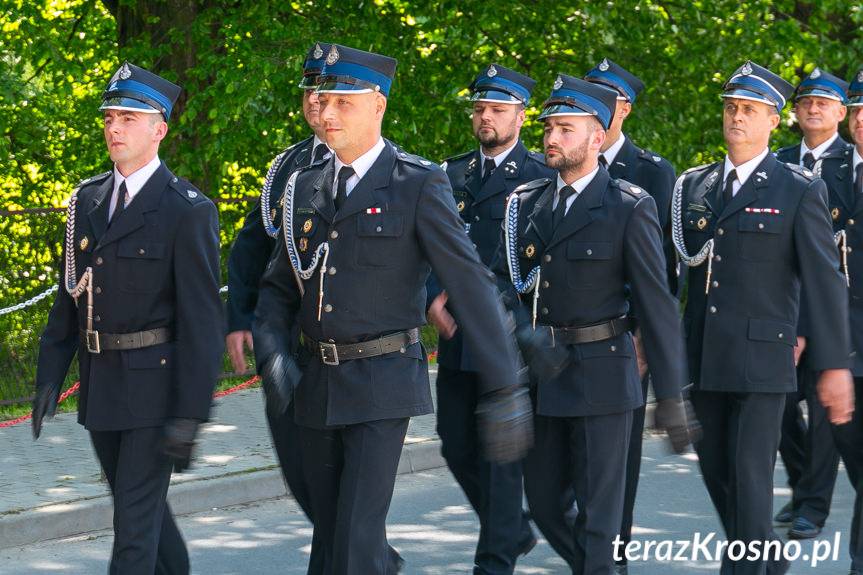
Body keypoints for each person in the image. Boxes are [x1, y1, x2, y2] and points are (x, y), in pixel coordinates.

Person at [252, 44, 532, 575]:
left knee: (356, 542)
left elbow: (469, 283)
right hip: (315, 382)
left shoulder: (417, 182)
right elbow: (278, 290)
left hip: (382, 383)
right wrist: (271, 353)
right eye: (324, 100)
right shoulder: (304, 185)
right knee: (329, 539)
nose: (327, 113)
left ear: (378, 105)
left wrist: (505, 385)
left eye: (344, 102)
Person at [496, 73, 693, 575]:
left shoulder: (628, 205)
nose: (552, 137)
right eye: (549, 128)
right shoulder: (527, 202)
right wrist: (522, 333)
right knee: (544, 506)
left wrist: (671, 394)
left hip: (604, 377)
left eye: (566, 129)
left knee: (600, 520)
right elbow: (501, 284)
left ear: (596, 137)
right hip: (544, 379)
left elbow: (656, 303)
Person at [32, 61, 224, 574]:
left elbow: (203, 323)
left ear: (159, 130)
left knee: (133, 534)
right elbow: (70, 297)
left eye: (129, 118)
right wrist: (50, 375)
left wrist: (190, 413)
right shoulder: (88, 200)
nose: (114, 128)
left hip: (155, 392)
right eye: (110, 118)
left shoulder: (187, 210)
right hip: (103, 385)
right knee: (142, 512)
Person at [671, 60, 854, 575]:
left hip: (763, 362)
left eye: (749, 110)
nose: (737, 117)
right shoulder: (695, 185)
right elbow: (675, 277)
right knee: (718, 479)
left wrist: (834, 365)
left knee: (750, 485)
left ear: (774, 121)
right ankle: (768, 563)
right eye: (731, 107)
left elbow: (824, 282)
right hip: (704, 356)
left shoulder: (797, 188)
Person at [428, 62, 553, 574]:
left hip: (509, 333)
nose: (486, 117)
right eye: (480, 108)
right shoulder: (448, 174)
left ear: (520, 117)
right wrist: (430, 296)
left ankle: (495, 559)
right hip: (458, 333)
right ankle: (513, 529)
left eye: (498, 110)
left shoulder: (542, 177)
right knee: (454, 442)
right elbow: (423, 244)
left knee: (502, 454)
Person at [583, 59, 677, 574]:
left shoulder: (652, 171)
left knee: (620, 453)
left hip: (623, 332)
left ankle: (613, 549)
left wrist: (645, 337)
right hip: (568, 329)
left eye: (608, 97)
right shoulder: (561, 157)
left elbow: (662, 266)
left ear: (625, 109)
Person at [772, 67, 850, 539]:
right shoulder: (778, 162)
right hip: (781, 306)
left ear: (841, 112)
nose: (813, 109)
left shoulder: (852, 165)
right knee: (778, 403)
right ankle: (803, 482)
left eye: (824, 102)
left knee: (824, 414)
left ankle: (813, 507)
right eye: (806, 102)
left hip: (833, 307)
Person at [828, 66, 863, 575]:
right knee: (852, 453)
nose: (861, 119)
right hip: (840, 343)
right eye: (857, 109)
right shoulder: (825, 172)